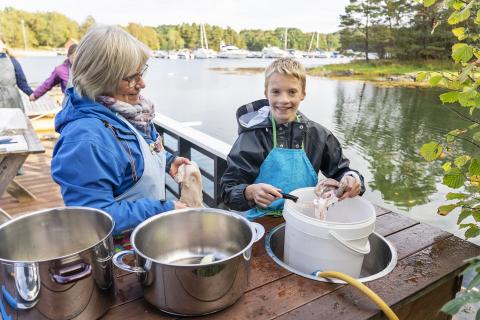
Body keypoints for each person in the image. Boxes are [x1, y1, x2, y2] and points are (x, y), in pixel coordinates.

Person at [51, 25, 189, 235]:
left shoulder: (127, 111)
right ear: (102, 77)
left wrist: (167, 161)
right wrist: (161, 210)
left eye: (141, 72)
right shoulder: (85, 139)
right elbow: (93, 218)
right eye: (131, 77)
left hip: (144, 237)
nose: (142, 83)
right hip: (118, 254)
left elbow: (136, 152)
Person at [220, 57, 365, 219]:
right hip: (258, 220)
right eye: (276, 92)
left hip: (304, 216)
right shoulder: (252, 137)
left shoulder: (319, 135)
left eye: (292, 92)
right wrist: (249, 192)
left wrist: (352, 179)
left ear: (303, 94)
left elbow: (342, 171)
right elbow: (228, 191)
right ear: (266, 93)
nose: (284, 100)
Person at [0, 36, 33, 111]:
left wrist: (31, 94)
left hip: (13, 100)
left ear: (4, 45)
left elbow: (21, 82)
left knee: (15, 120)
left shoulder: (12, 61)